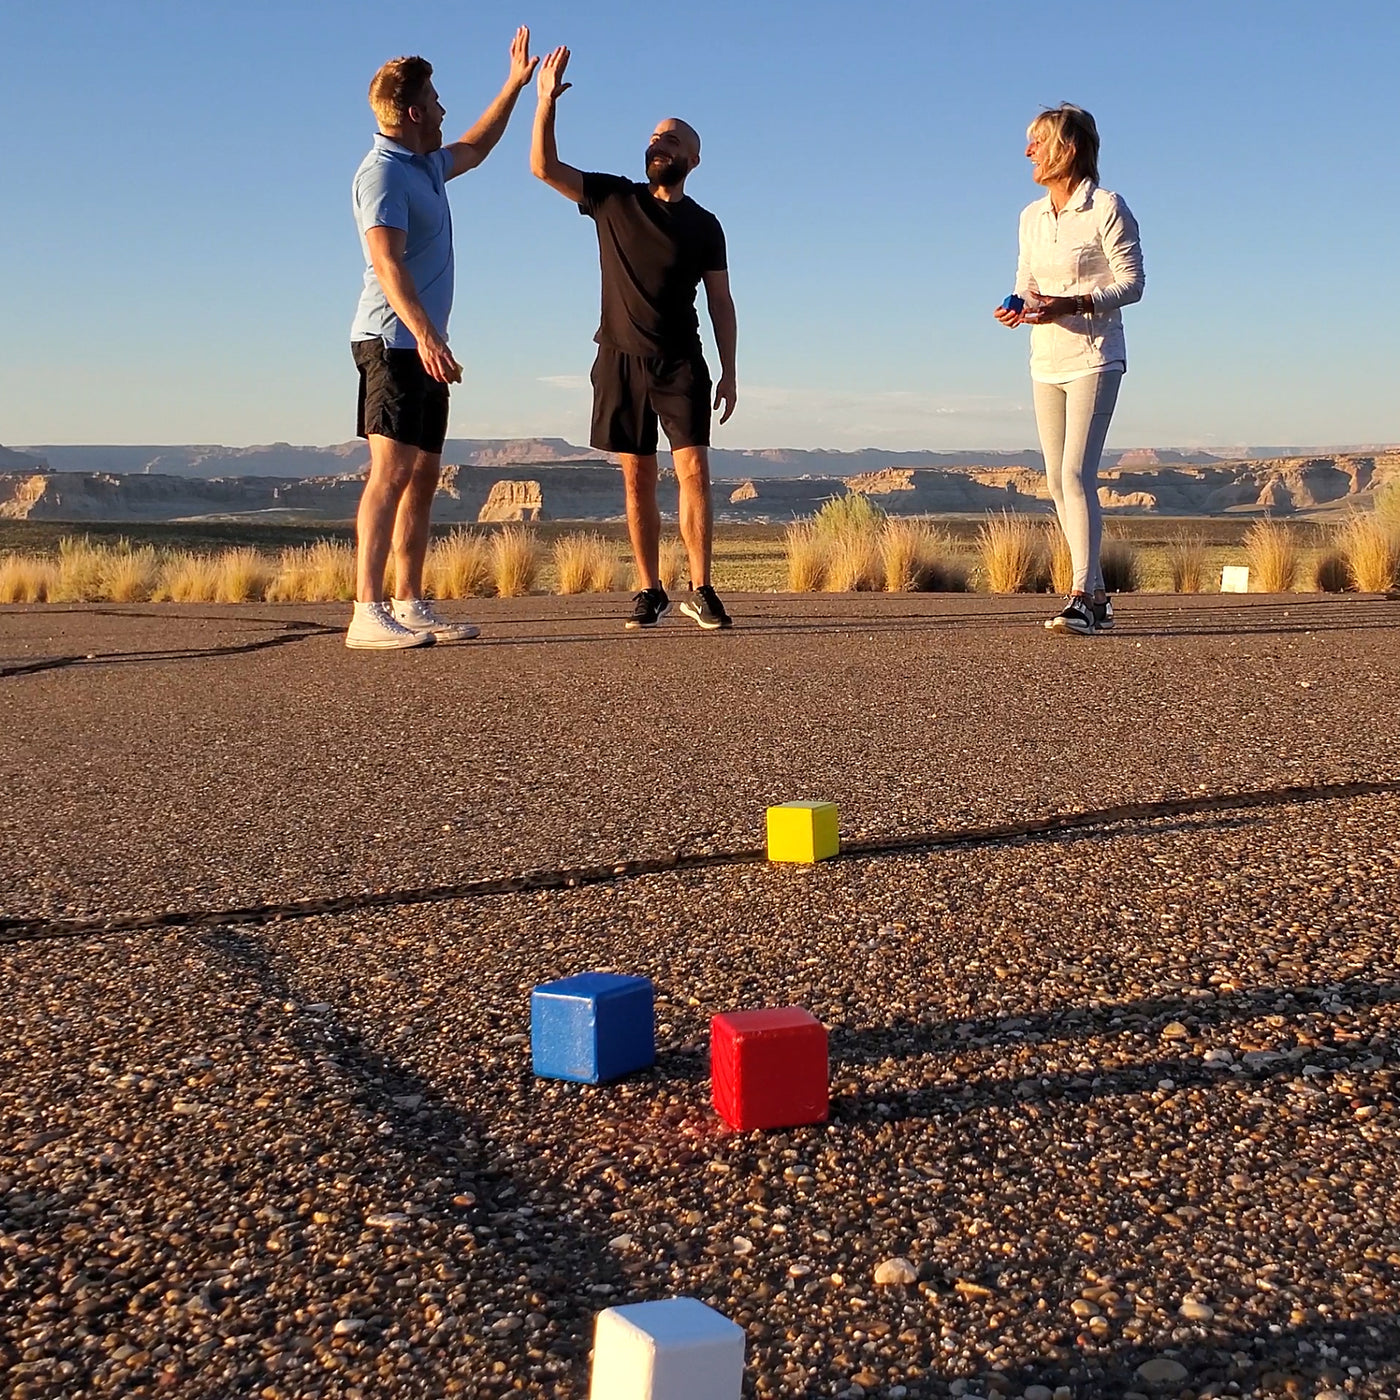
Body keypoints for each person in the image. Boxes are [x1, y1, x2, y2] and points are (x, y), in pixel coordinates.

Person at [529, 45, 739, 630]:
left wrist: (729, 369)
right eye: (654, 137)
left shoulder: (705, 225)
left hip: (682, 364)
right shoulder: (613, 198)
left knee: (693, 471)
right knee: (637, 475)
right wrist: (544, 104)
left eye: (671, 139)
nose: (659, 144)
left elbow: (720, 300)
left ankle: (701, 587)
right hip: (619, 359)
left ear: (693, 158)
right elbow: (544, 168)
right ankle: (650, 589)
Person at [346, 30, 539, 649]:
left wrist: (513, 84)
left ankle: (409, 602)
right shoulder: (380, 175)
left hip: (426, 344)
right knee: (391, 471)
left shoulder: (424, 164)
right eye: (435, 98)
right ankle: (366, 612)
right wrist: (426, 335)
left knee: (424, 475)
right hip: (391, 342)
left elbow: (477, 148)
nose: (444, 108)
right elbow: (387, 263)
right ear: (412, 112)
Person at [994, 104, 1144, 636]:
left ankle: (1081, 594)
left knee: (1077, 474)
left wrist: (1073, 304)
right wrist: (1020, 306)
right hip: (1045, 359)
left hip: (1095, 357)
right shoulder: (1030, 216)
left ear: (1070, 147)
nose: (1028, 152)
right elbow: (1026, 280)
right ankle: (1098, 598)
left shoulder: (1106, 206)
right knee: (1057, 480)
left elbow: (1133, 284)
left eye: (1037, 141)